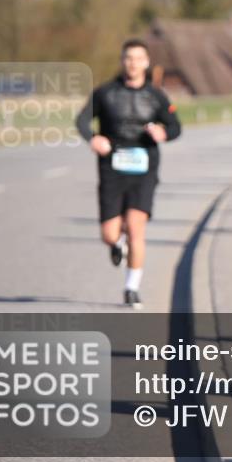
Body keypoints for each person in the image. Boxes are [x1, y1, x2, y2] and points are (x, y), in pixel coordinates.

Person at [76, 39, 182, 309]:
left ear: (146, 63)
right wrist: (94, 138)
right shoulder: (105, 93)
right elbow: (81, 120)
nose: (132, 63)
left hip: (144, 168)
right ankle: (117, 244)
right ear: (122, 61)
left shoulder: (157, 96)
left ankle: (131, 287)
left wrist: (163, 133)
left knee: (136, 228)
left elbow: (175, 126)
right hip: (112, 167)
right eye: (128, 58)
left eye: (138, 58)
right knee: (109, 234)